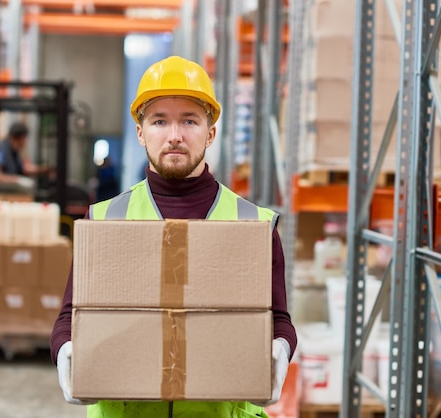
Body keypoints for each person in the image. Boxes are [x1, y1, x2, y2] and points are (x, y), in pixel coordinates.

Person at [50, 55, 297, 418]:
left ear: (211, 132)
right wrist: (65, 349)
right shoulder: (104, 220)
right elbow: (71, 317)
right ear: (140, 132)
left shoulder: (253, 226)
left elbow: (278, 319)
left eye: (190, 121)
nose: (175, 135)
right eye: (160, 121)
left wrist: (279, 348)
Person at [0, 121, 47, 189]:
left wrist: (46, 170)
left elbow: (26, 168)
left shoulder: (14, 152)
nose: (24, 143)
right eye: (23, 140)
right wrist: (17, 180)